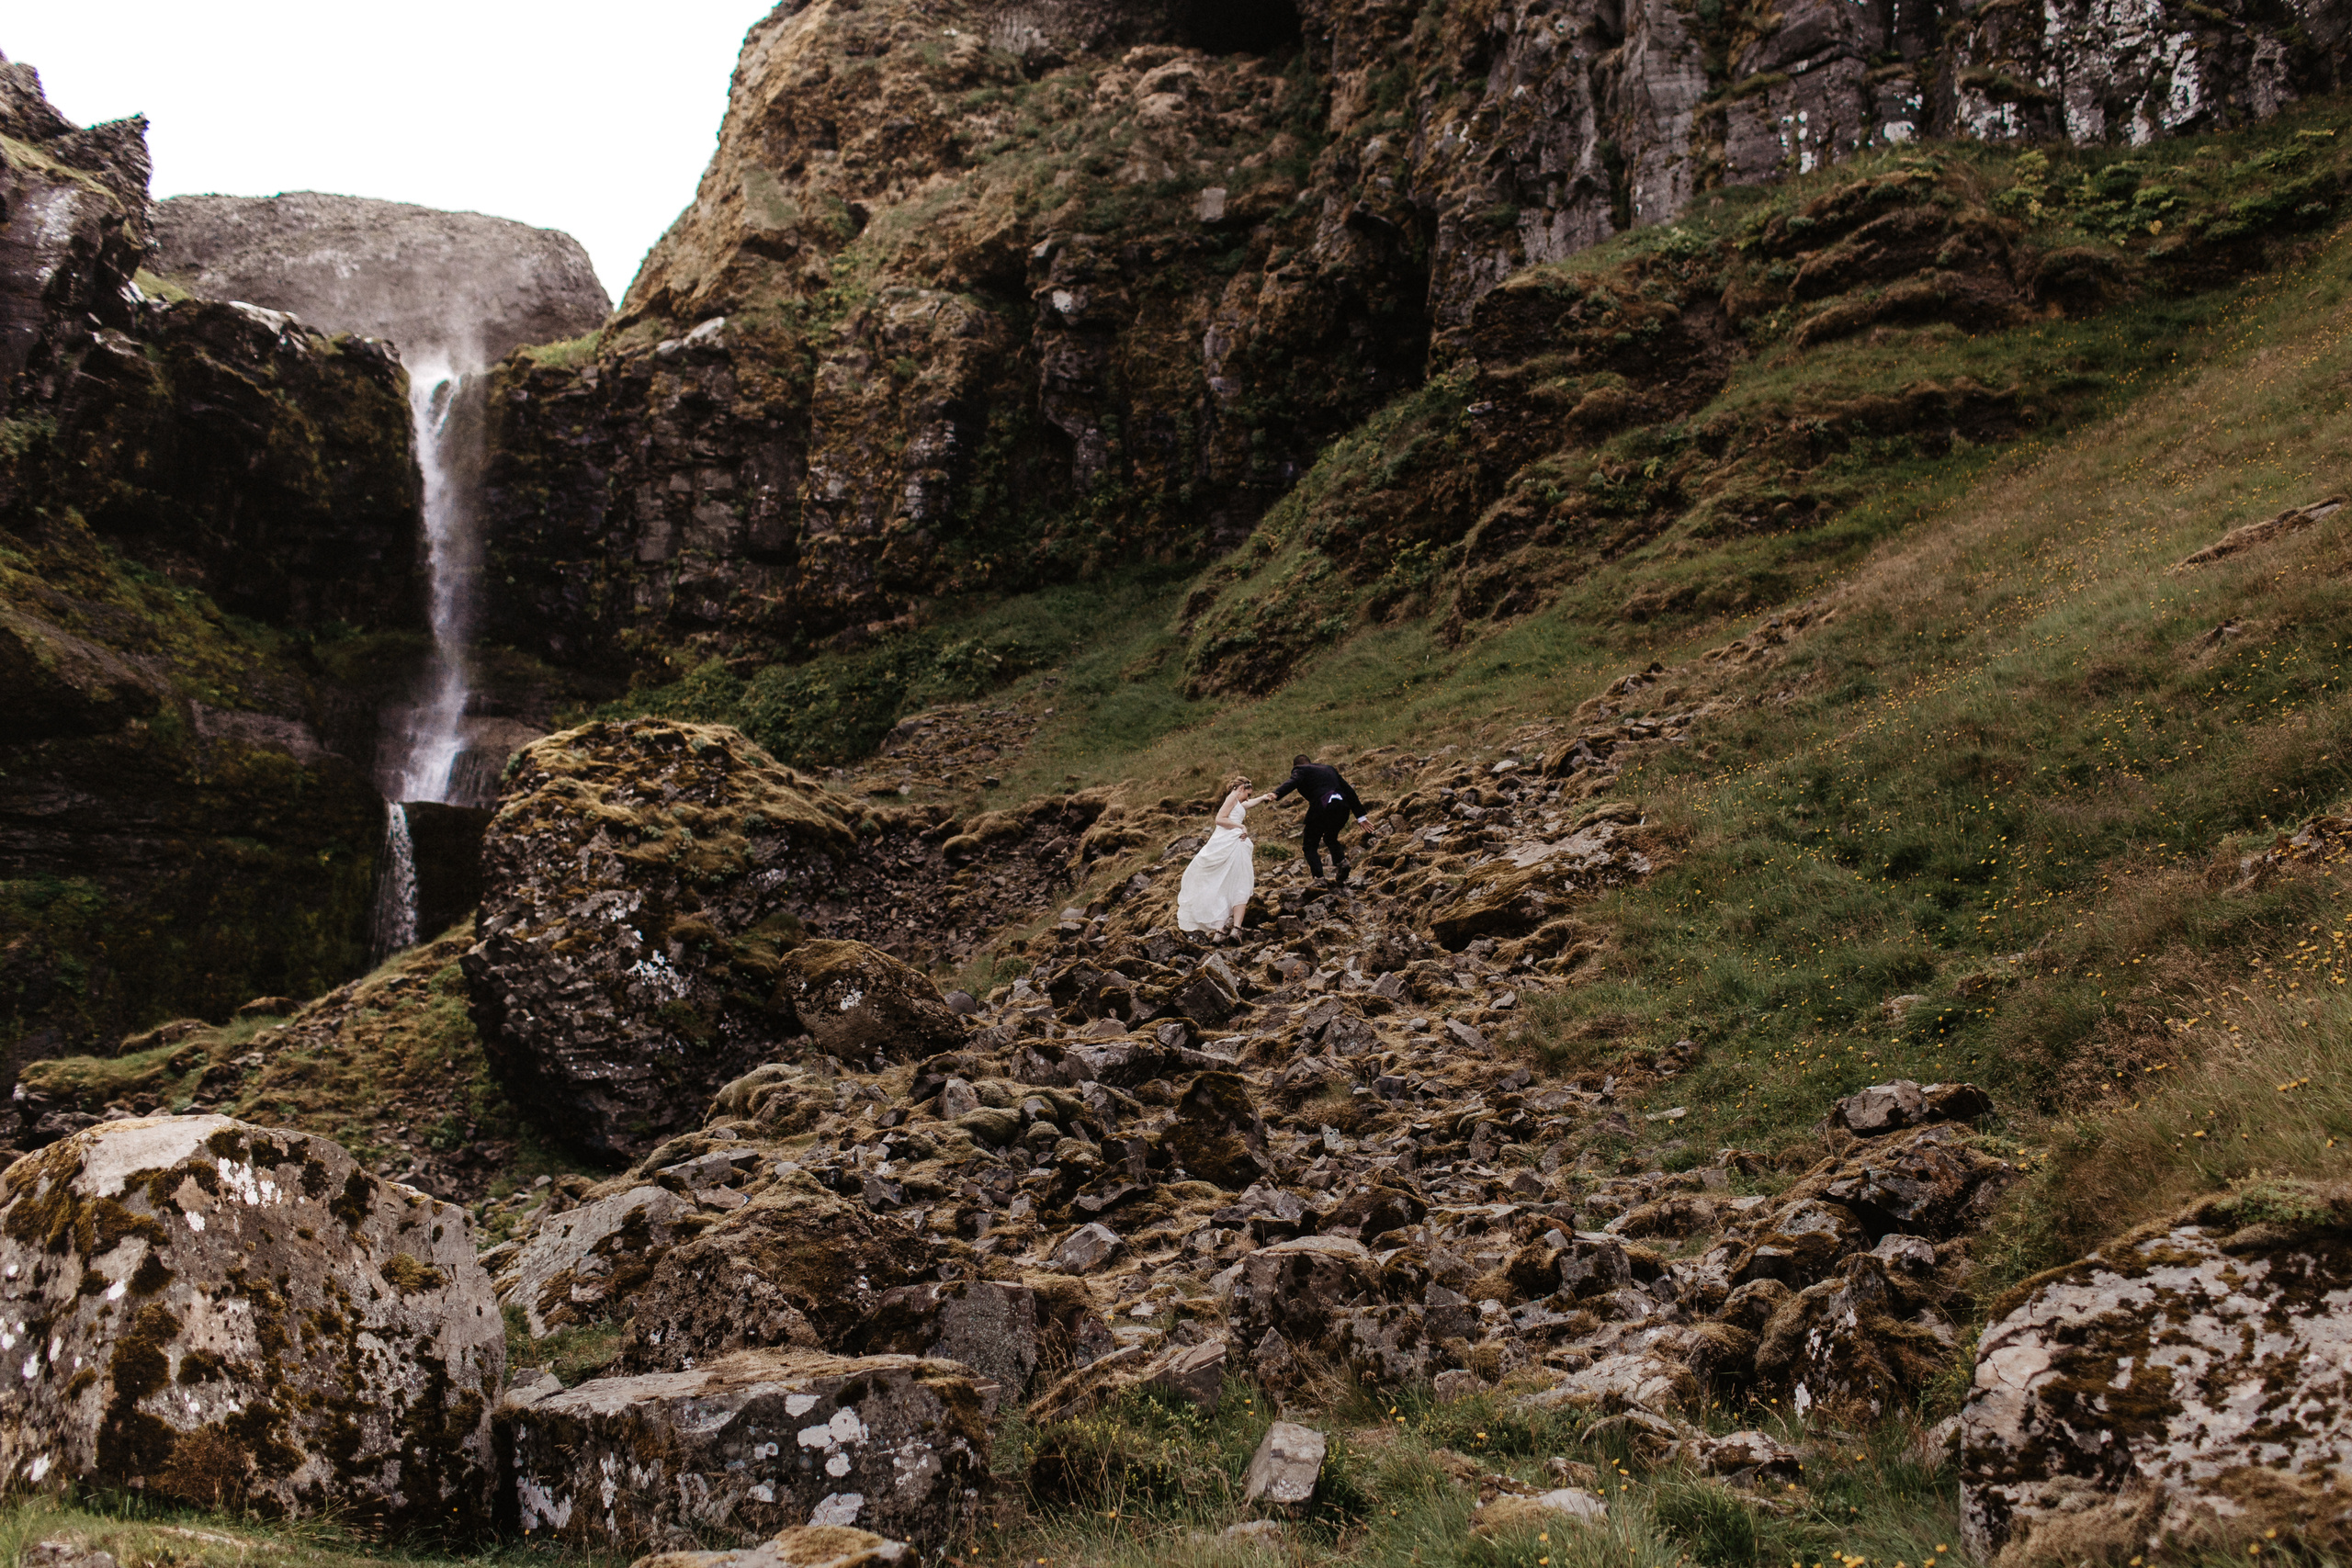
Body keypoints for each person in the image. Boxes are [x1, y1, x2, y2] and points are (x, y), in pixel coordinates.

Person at [1175, 773, 1260, 937]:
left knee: (1232, 882)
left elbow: (1247, 805)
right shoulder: (1232, 797)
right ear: (1241, 788)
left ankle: (1227, 929)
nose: (1247, 799)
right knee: (1236, 881)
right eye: (1247, 794)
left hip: (1235, 843)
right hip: (1229, 841)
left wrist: (1264, 798)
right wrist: (1240, 826)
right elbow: (1220, 819)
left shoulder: (1238, 801)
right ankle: (1231, 928)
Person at [1271, 752, 1372, 884]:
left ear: (1296, 766)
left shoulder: (1300, 769)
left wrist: (1276, 793)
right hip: (1342, 807)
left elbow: (1293, 782)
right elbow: (1349, 791)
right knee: (1330, 837)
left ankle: (1319, 878)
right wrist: (1361, 817)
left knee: (1310, 845)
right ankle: (1342, 863)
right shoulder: (1329, 769)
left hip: (1322, 808)